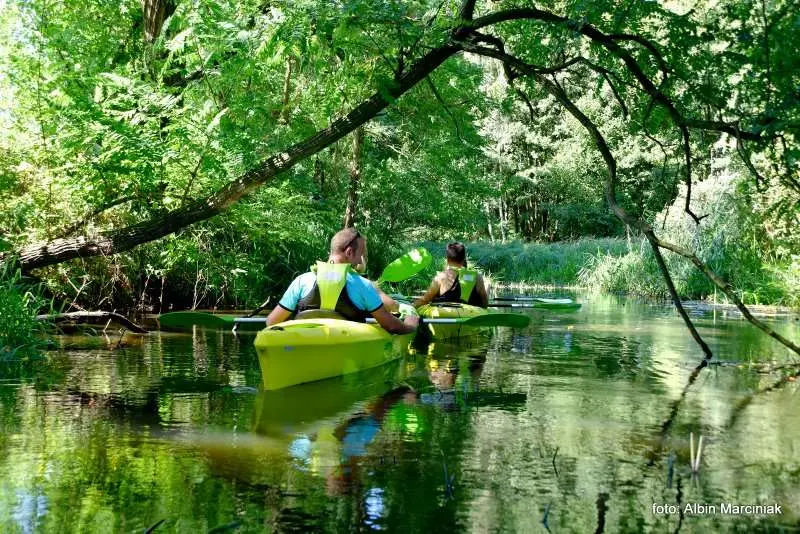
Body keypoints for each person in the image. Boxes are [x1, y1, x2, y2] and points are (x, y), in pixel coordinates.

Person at [266, 228, 419, 334]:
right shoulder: (362, 285)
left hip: (304, 340)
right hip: (345, 344)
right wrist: (410, 326)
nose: (361, 259)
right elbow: (391, 326)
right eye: (361, 254)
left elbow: (272, 321)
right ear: (349, 252)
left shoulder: (301, 280)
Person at [412, 242, 489, 308]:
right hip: (470, 317)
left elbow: (425, 300)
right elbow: (485, 304)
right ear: (464, 258)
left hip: (446, 318)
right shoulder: (477, 277)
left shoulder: (441, 277)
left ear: (447, 259)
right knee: (487, 286)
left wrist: (411, 306)